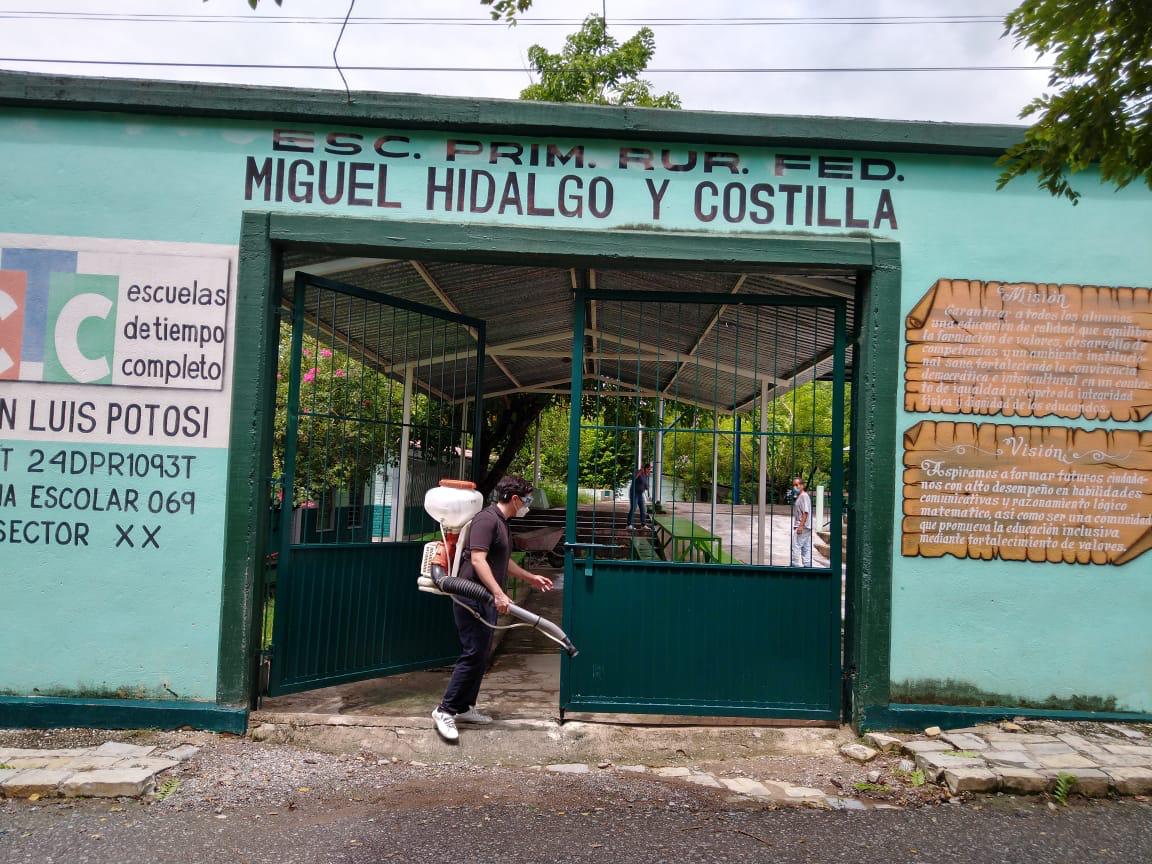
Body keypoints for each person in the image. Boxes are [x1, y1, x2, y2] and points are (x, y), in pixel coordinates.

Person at [432, 475, 553, 742]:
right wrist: (499, 594)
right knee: (473, 652)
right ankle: (444, 710)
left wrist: (529, 578)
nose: (528, 504)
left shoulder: (502, 523)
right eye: (527, 499)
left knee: (481, 653)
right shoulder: (486, 520)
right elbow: (478, 559)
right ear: (514, 499)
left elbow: (503, 560)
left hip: (485, 599)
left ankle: (464, 707)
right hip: (471, 598)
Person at [790, 476, 813, 567]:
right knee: (806, 548)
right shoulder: (801, 496)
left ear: (802, 485)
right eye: (793, 485)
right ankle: (807, 566)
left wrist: (800, 526)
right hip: (806, 527)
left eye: (797, 485)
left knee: (795, 546)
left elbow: (805, 512)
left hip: (802, 526)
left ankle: (794, 567)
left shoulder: (803, 496)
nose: (795, 487)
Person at [626, 462, 653, 530]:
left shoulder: (646, 476)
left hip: (640, 494)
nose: (649, 471)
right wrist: (639, 472)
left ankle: (643, 525)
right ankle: (629, 525)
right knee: (634, 507)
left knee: (643, 509)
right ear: (645, 468)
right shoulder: (638, 472)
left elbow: (645, 486)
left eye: (650, 470)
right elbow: (633, 478)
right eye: (648, 469)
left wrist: (647, 487)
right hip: (634, 493)